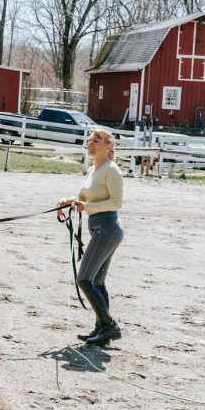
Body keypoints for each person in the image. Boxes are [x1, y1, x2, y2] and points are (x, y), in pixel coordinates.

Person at [56, 128, 125, 345]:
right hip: (100, 229)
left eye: (97, 141)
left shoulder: (112, 170)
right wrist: (69, 201)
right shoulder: (95, 169)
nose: (91, 144)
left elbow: (116, 203)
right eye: (90, 140)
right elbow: (83, 197)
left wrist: (87, 208)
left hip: (108, 228)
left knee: (84, 279)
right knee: (97, 280)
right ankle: (101, 329)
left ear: (108, 146)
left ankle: (109, 326)